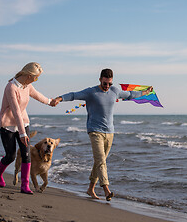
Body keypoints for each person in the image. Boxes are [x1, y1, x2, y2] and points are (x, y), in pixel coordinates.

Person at [51, 68, 152, 201]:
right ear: (100, 80)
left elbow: (130, 95)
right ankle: (106, 189)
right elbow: (74, 95)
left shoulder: (114, 91)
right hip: (95, 131)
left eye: (110, 83)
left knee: (99, 161)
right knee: (101, 161)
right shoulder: (91, 92)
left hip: (110, 132)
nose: (107, 86)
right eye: (105, 83)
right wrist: (59, 98)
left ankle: (90, 189)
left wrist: (145, 92)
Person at [0, 62, 55, 194]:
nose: (36, 80)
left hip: (23, 123)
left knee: (26, 155)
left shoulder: (27, 86)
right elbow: (15, 112)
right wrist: (22, 134)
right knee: (10, 156)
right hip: (8, 126)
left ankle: (25, 186)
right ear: (28, 75)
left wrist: (50, 102)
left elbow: (38, 95)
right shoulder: (11, 88)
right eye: (36, 77)